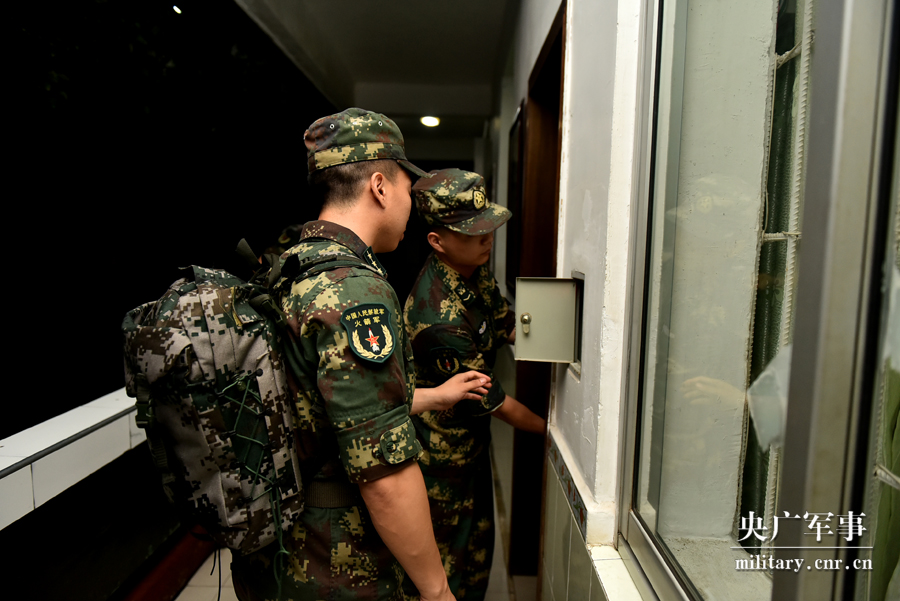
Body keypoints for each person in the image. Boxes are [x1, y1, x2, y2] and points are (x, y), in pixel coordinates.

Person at [231, 109, 492, 601]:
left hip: (278, 550)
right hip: (331, 560)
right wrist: (437, 590)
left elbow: (328, 404)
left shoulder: (292, 264)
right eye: (407, 189)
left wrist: (432, 397)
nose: (411, 207)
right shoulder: (353, 290)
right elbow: (384, 473)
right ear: (380, 186)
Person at [402, 168, 546, 600]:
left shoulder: (473, 270)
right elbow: (492, 400)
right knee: (445, 572)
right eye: (474, 232)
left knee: (477, 557)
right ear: (437, 241)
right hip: (440, 462)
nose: (488, 239)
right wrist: (550, 432)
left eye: (488, 227)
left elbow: (504, 323)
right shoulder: (437, 315)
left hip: (472, 448)